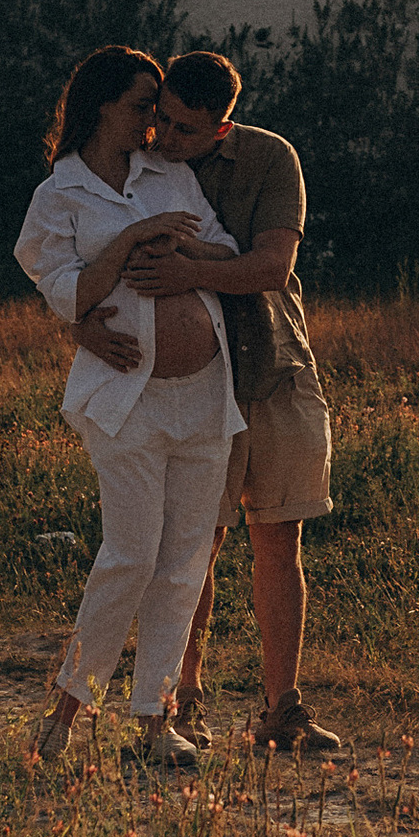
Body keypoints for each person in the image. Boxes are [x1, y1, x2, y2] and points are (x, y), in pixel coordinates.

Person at [77, 46, 341, 757]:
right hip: (191, 384)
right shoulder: (139, 165)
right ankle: (179, 702)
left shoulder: (269, 159)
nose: (167, 136)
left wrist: (192, 271)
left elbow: (272, 265)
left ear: (220, 129)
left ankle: (281, 707)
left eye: (186, 129)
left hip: (276, 367)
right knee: (192, 546)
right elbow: (84, 262)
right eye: (160, 118)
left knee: (279, 540)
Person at [13, 45, 241, 774]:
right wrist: (135, 237)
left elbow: (227, 246)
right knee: (130, 555)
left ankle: (154, 720)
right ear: (104, 103)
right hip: (127, 401)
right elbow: (70, 293)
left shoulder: (170, 173)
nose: (155, 121)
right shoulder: (60, 195)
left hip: (205, 396)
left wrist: (185, 254)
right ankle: (66, 709)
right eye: (144, 105)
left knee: (182, 565)